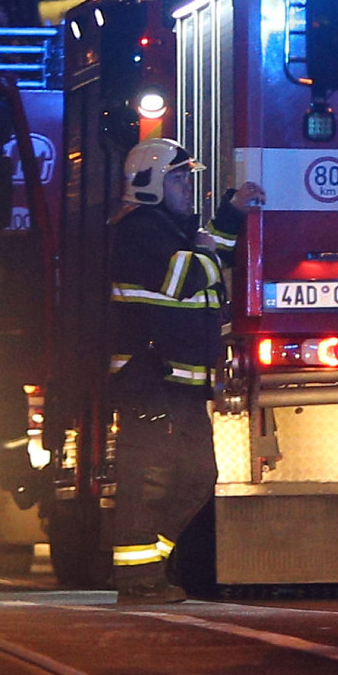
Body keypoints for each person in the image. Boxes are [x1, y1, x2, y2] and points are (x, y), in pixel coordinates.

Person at [102, 139, 248, 604]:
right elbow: (182, 278)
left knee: (198, 477)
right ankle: (137, 579)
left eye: (188, 178)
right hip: (150, 382)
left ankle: (152, 566)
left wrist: (228, 219)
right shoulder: (137, 230)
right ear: (149, 184)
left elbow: (206, 259)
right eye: (179, 179)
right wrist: (206, 246)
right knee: (148, 483)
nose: (188, 188)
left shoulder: (172, 231)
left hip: (181, 387)